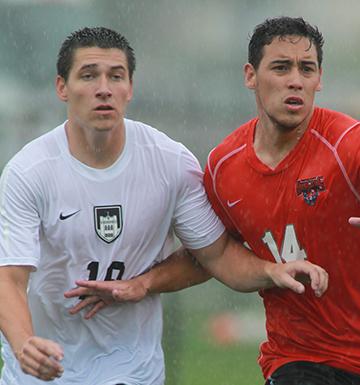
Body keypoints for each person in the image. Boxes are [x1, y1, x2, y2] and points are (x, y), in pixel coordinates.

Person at [0, 27, 328, 385]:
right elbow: (9, 279)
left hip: (132, 372)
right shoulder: (28, 172)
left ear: (130, 88)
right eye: (89, 75)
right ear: (62, 87)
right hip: (42, 372)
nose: (104, 88)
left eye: (116, 76)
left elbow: (214, 256)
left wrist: (269, 271)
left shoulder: (169, 163)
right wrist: (24, 345)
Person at [202, 17, 360, 385]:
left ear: (318, 79)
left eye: (306, 69)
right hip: (297, 356)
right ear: (250, 75)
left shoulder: (350, 143)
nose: (295, 80)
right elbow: (212, 253)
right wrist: (140, 284)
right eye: (281, 67)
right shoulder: (223, 166)